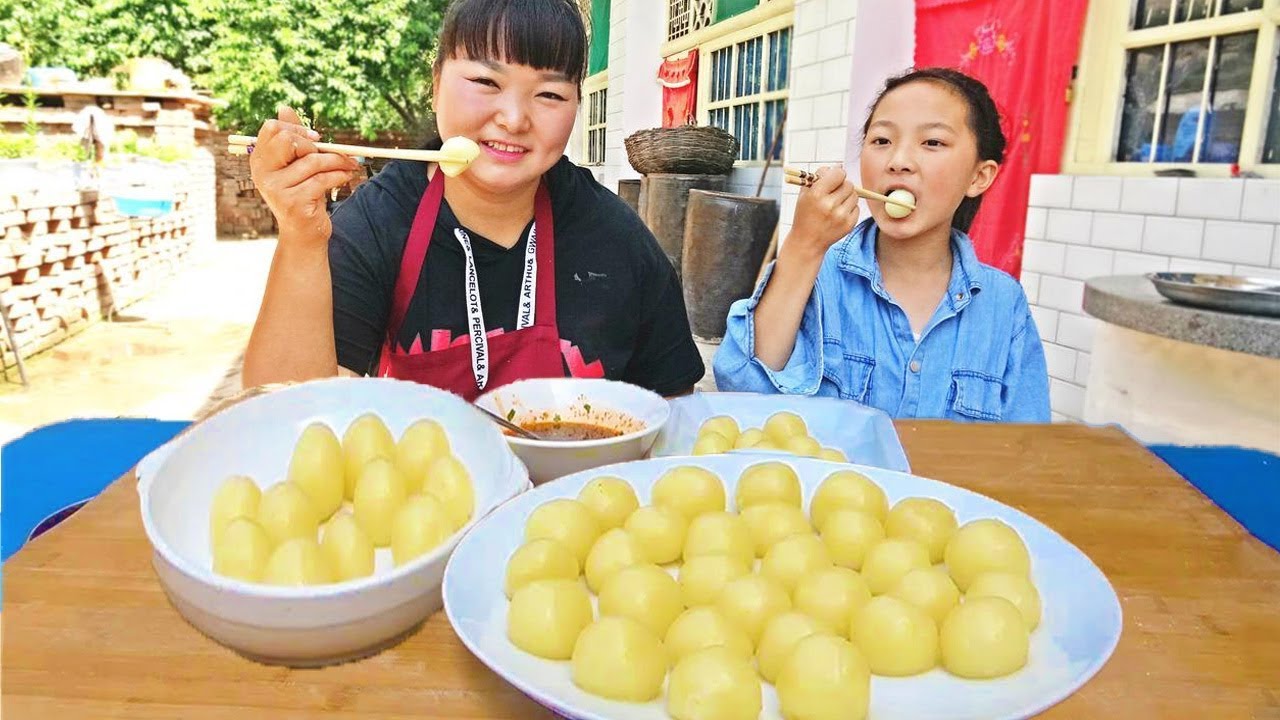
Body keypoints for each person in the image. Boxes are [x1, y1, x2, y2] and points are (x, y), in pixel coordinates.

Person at [242, 0, 704, 400]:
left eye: (549, 93)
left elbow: (674, 407)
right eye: (486, 81)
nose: (514, 118)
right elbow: (290, 415)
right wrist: (301, 236)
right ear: (435, 83)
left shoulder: (615, 237)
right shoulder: (380, 222)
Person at [714, 68, 1049, 422]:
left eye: (932, 142)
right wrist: (802, 246)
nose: (898, 161)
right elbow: (740, 391)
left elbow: (1024, 445)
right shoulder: (819, 275)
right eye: (882, 141)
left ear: (979, 177)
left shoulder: (1003, 303)